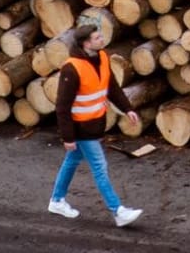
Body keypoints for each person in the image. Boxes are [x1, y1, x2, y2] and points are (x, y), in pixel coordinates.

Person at [47, 23, 143, 228]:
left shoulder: (102, 57)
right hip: (81, 128)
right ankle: (118, 211)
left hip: (95, 124)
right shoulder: (71, 68)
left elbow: (112, 88)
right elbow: (62, 107)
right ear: (86, 43)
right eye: (97, 37)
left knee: (72, 161)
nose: (102, 39)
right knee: (100, 166)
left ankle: (56, 201)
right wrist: (68, 137)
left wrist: (128, 109)